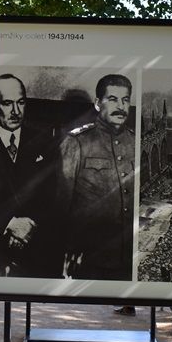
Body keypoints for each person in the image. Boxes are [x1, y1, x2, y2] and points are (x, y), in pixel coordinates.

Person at [57, 73, 136, 281]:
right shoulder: (77, 142)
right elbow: (60, 204)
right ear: (98, 103)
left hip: (129, 260)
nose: (121, 106)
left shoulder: (135, 142)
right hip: (90, 259)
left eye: (125, 100)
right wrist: (68, 248)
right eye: (113, 99)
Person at [0, 73, 59, 277]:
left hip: (36, 254)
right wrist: (9, 224)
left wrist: (30, 225)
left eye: (21, 103)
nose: (16, 111)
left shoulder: (44, 140)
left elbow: (54, 193)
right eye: (7, 103)